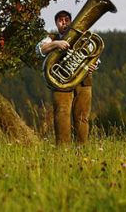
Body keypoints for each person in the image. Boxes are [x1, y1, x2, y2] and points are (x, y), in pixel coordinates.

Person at [36, 10, 99, 145]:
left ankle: (82, 149)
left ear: (71, 22)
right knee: (62, 114)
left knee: (82, 117)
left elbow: (94, 57)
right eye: (60, 20)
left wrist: (93, 65)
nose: (64, 22)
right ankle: (63, 149)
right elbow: (39, 49)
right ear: (56, 23)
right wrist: (56, 44)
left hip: (83, 81)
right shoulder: (52, 38)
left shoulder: (82, 37)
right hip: (61, 82)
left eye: (66, 20)